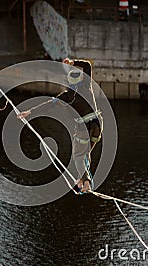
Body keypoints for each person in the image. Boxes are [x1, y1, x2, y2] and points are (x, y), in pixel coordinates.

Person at [17, 58, 101, 193]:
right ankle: (82, 181)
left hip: (83, 129)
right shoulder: (86, 85)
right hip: (97, 126)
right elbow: (87, 65)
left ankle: (86, 183)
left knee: (79, 156)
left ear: (69, 82)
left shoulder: (67, 96)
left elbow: (49, 105)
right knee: (85, 154)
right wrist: (73, 63)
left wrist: (30, 112)